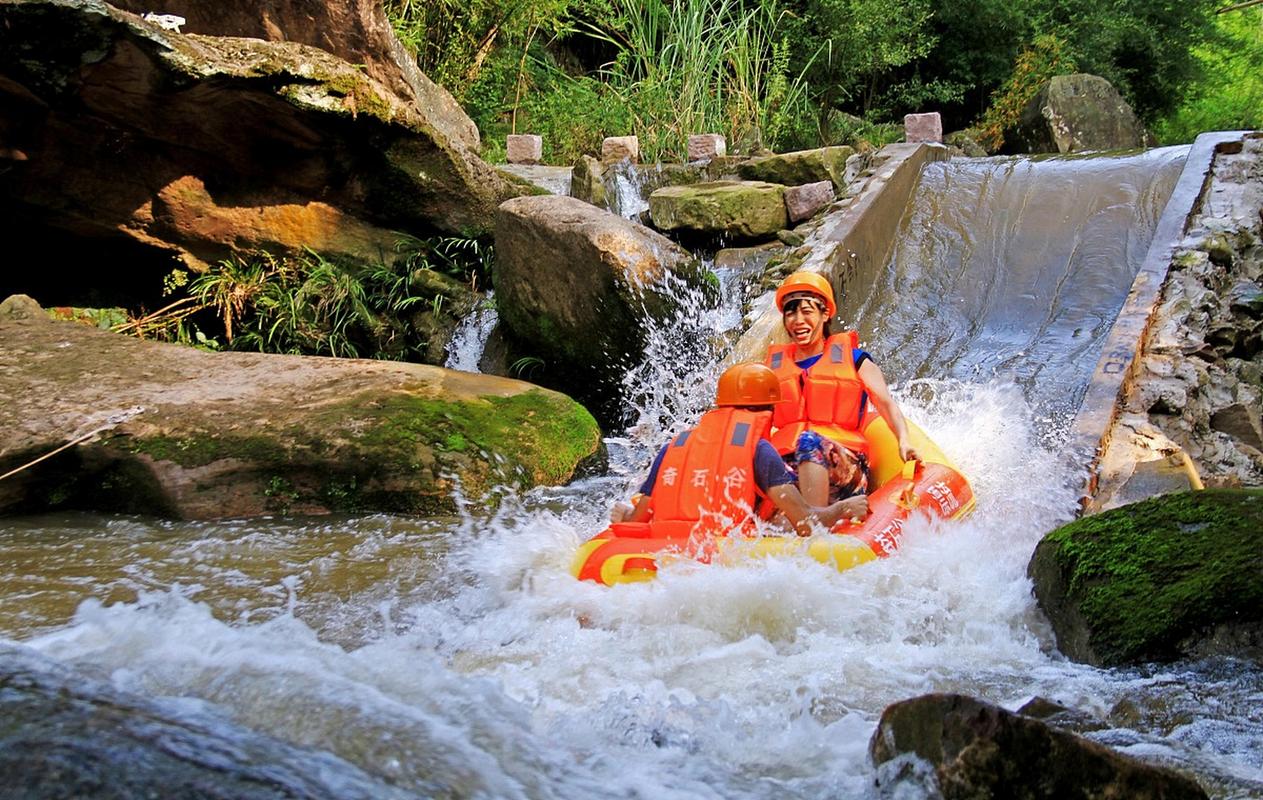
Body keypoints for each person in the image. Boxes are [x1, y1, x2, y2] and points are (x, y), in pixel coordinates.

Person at [611, 362, 867, 537]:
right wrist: (842, 510)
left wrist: (623, 514)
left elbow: (637, 520)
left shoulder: (673, 446)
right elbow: (806, 525)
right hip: (728, 557)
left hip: (673, 553)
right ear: (769, 410)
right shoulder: (760, 451)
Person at [765, 271, 918, 506]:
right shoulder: (770, 371)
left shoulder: (855, 359)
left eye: (807, 312)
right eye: (791, 313)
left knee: (809, 441)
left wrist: (903, 440)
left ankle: (817, 526)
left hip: (845, 466)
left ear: (825, 314)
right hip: (794, 471)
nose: (798, 321)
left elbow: (886, 403)